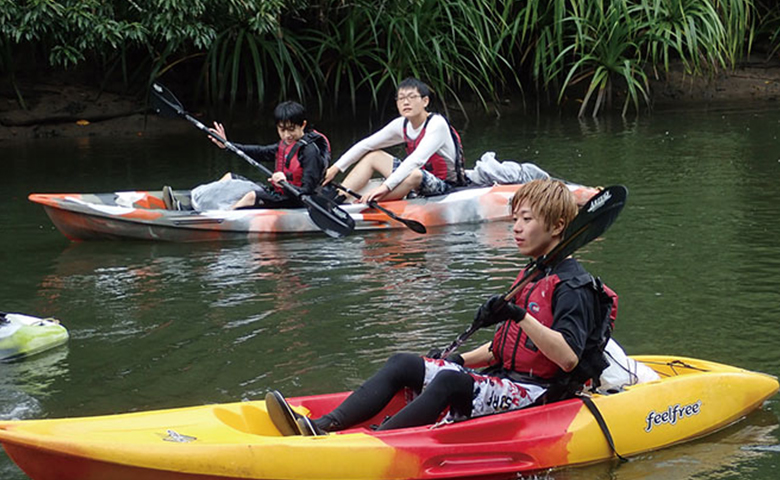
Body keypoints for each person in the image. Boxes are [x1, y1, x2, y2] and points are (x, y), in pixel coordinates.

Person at [266, 179, 617, 436]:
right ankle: (320, 427)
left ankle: (377, 441)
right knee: (405, 363)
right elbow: (502, 349)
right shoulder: (534, 273)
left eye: (526, 220)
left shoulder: (573, 285)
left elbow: (568, 357)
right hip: (505, 378)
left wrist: (518, 314)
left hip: (539, 395)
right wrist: (460, 359)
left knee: (449, 382)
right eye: (514, 220)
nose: (517, 229)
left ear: (558, 226)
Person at [322, 77, 466, 204]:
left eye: (411, 97)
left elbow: (416, 159)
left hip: (446, 186)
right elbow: (366, 144)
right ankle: (337, 198)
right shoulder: (401, 124)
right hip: (415, 183)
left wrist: (385, 187)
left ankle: (364, 203)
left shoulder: (437, 124)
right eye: (401, 98)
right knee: (373, 156)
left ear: (425, 101)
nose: (406, 102)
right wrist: (335, 169)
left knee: (415, 174)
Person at [162, 101, 329, 210]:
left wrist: (284, 182)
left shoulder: (310, 152)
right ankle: (193, 199)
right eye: (282, 129)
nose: (286, 135)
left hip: (296, 201)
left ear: (303, 125)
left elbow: (307, 191)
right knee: (231, 177)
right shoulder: (285, 145)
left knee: (251, 196)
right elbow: (259, 152)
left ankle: (216, 216)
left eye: (291, 129)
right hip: (278, 193)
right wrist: (228, 145)